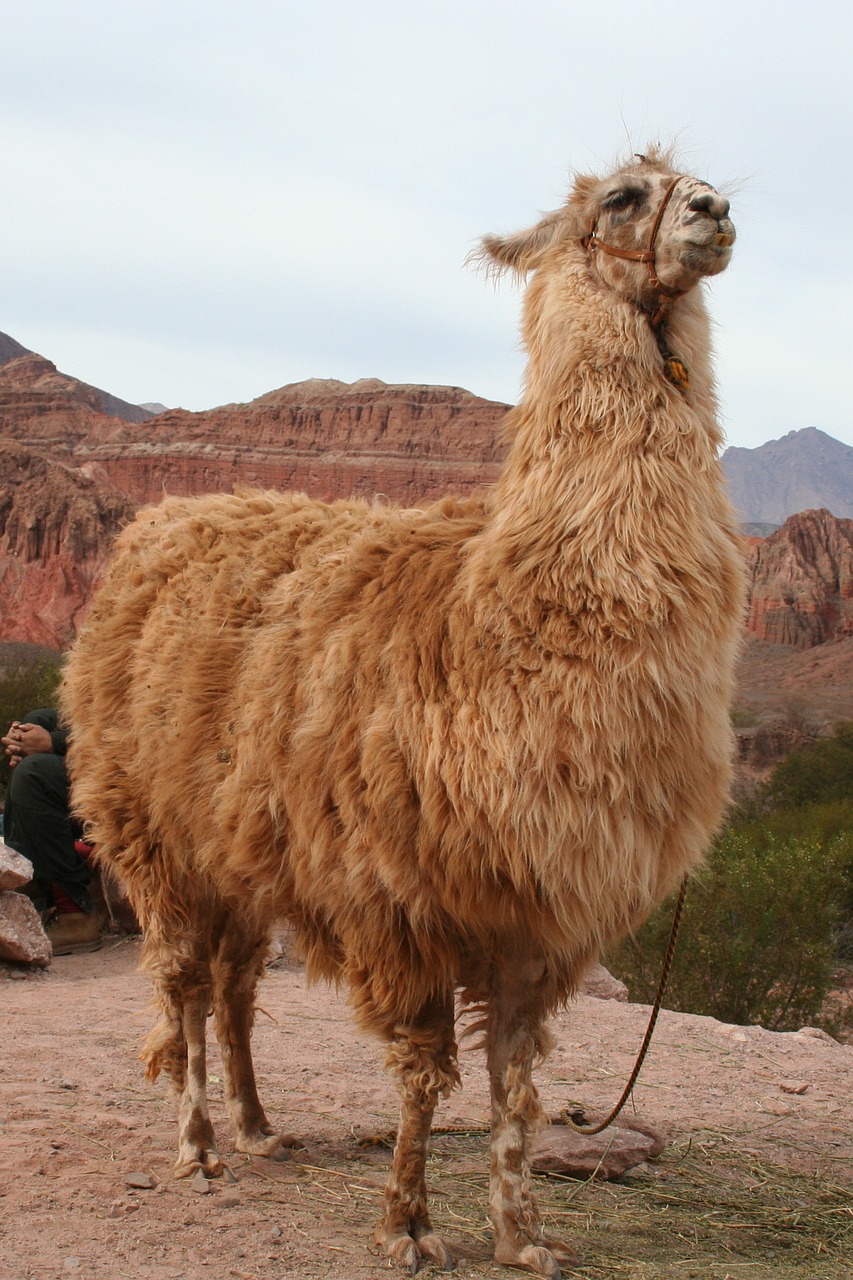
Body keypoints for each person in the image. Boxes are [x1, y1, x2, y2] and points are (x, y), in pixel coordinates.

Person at [2, 708, 101, 952]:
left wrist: (53, 742)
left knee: (34, 773)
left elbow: (131, 727)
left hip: (139, 772)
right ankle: (30, 880)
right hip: (104, 747)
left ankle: (75, 912)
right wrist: (25, 739)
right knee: (36, 720)